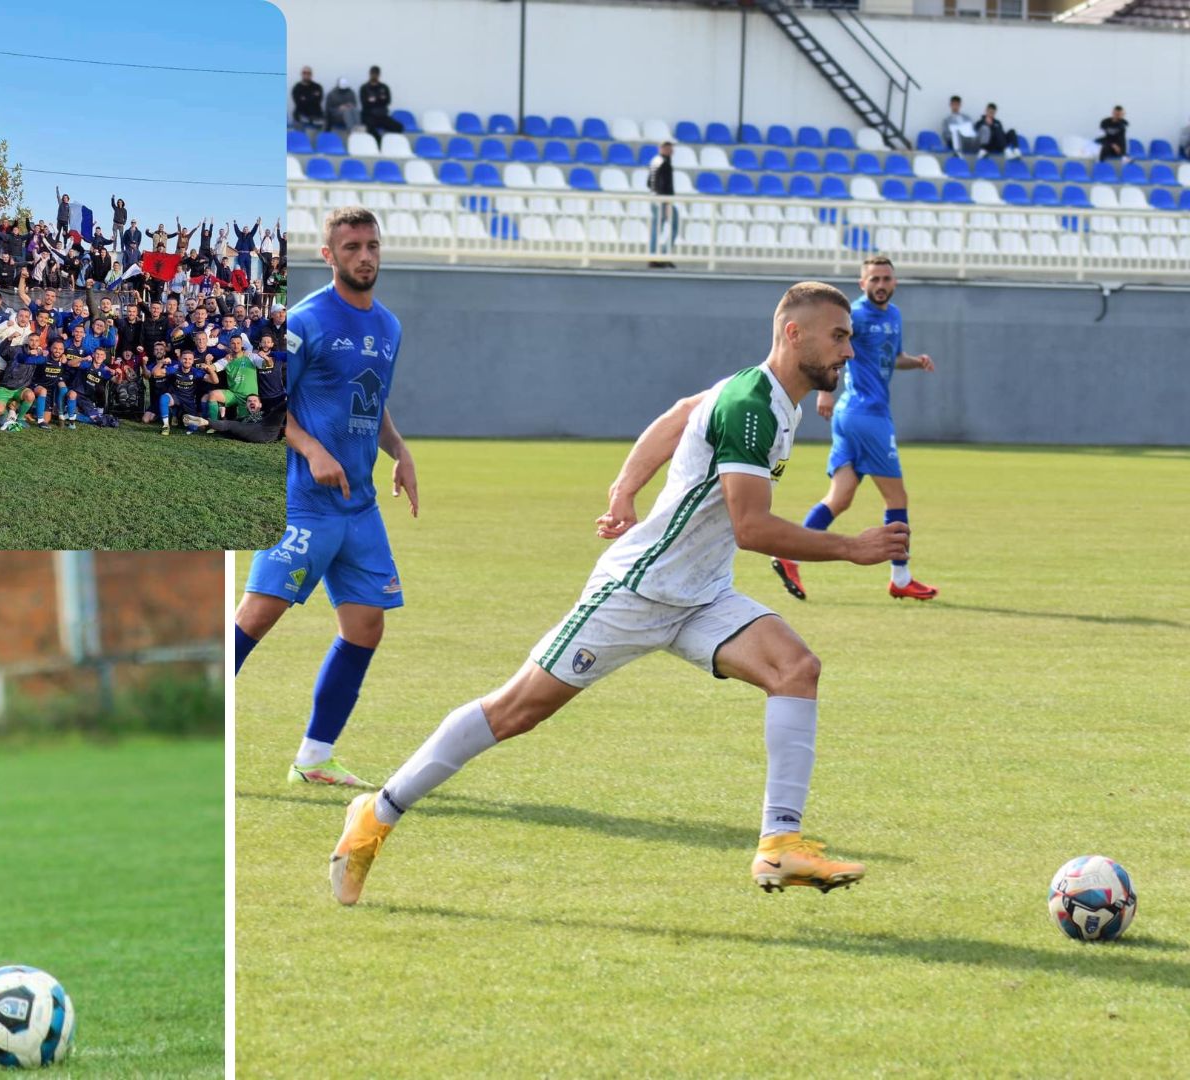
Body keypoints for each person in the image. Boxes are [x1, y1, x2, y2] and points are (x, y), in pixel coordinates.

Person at [330, 280, 911, 907]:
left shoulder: (768, 398)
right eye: (839, 336)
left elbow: (680, 413)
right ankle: (377, 813)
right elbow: (751, 528)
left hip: (701, 596)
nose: (849, 351)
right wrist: (851, 547)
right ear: (794, 334)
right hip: (637, 591)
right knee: (517, 710)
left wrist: (624, 489)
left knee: (796, 669)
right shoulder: (751, 403)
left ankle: (779, 844)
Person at [234, 206, 414, 788]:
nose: (365, 256)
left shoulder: (389, 326)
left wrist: (399, 449)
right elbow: (272, 403)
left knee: (365, 627)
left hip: (360, 507)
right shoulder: (306, 321)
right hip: (304, 504)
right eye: (352, 247)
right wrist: (311, 449)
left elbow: (372, 398)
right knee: (254, 620)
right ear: (328, 255)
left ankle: (314, 758)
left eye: (372, 245)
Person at [771, 256, 939, 603]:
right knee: (897, 499)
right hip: (867, 415)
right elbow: (825, 346)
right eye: (874, 279)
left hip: (853, 416)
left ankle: (790, 556)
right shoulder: (856, 316)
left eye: (886, 279)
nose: (881, 285)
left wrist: (916, 361)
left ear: (894, 283)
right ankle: (901, 578)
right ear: (862, 284)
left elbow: (891, 357)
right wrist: (824, 391)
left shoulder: (894, 316)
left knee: (840, 497)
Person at [647, 140, 677, 268]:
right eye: (669, 148)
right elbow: (664, 185)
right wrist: (667, 202)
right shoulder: (665, 163)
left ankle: (654, 256)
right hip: (662, 200)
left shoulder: (655, 161)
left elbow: (649, 183)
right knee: (673, 227)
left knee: (657, 228)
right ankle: (662, 255)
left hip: (655, 199)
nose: (672, 151)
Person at [359, 65, 404, 142]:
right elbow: (365, 103)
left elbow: (388, 101)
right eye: (373, 73)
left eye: (376, 74)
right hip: (369, 115)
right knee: (370, 128)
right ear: (369, 74)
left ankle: (389, 142)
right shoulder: (364, 88)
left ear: (379, 75)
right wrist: (379, 100)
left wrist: (374, 101)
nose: (374, 76)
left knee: (399, 127)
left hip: (382, 115)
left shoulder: (384, 87)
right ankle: (379, 143)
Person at [291, 65, 325, 132]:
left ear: (311, 75)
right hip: (301, 114)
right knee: (298, 123)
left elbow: (318, 101)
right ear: (301, 74)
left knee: (323, 123)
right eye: (304, 73)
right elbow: (298, 103)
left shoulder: (317, 87)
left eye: (308, 73)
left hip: (316, 114)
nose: (306, 74)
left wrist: (305, 98)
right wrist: (312, 96)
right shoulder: (296, 88)